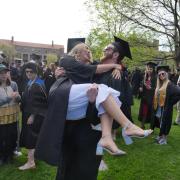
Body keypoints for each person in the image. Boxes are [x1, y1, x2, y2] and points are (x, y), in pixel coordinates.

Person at [36, 42, 153, 180]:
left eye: (108, 49)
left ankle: (114, 134)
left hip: (87, 132)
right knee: (66, 168)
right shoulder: (89, 66)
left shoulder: (114, 76)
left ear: (115, 55)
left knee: (83, 171)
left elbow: (109, 109)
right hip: (71, 129)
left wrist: (92, 103)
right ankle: (122, 130)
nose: (103, 49)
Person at [19, 62, 47, 170]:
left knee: (31, 137)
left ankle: (30, 162)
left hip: (33, 115)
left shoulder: (37, 85)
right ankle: (34, 157)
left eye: (31, 71)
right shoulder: (31, 82)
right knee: (33, 136)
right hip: (29, 113)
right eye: (27, 71)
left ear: (36, 72)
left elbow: (40, 103)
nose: (28, 73)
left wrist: (33, 116)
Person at [151, 65, 180, 144]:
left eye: (163, 74)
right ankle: (161, 136)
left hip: (166, 107)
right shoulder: (161, 83)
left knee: (166, 122)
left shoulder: (169, 84)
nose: (161, 75)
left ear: (167, 74)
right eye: (159, 74)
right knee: (161, 122)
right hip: (161, 106)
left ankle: (164, 139)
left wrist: (171, 102)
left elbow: (178, 92)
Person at [0, 64, 21, 165]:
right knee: (2, 136)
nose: (3, 75)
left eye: (5, 73)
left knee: (12, 136)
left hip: (13, 115)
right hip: (1, 116)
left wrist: (17, 97)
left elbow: (18, 98)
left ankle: (10, 155)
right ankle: (2, 156)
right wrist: (10, 98)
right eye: (1, 73)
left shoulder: (13, 84)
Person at [138, 62, 157, 129]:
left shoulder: (155, 77)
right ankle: (142, 125)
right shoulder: (145, 76)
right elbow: (141, 84)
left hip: (152, 98)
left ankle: (151, 128)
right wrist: (140, 87)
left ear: (153, 69)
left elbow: (157, 88)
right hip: (145, 97)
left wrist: (151, 88)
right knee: (144, 111)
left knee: (152, 113)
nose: (149, 70)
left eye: (151, 69)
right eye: (148, 69)